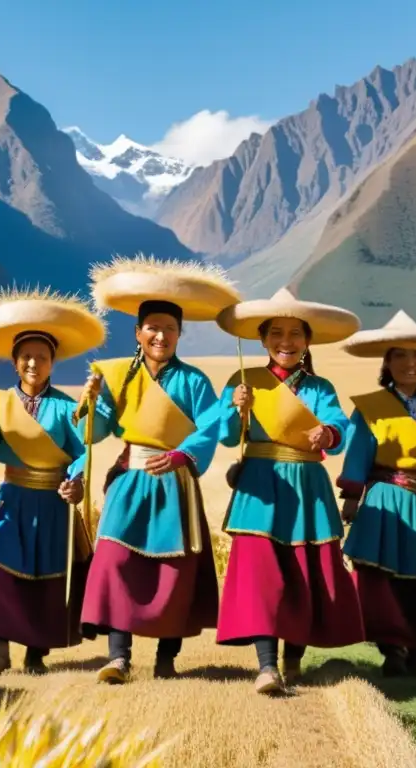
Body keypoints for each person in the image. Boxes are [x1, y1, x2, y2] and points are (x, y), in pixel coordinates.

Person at [77, 255, 241, 684]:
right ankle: (118, 656)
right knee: (115, 561)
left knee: (174, 571)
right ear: (138, 332)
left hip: (176, 483)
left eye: (170, 329)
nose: (161, 335)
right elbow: (94, 433)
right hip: (130, 479)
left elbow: (212, 426)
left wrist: (184, 455)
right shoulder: (116, 376)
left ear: (180, 334)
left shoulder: (194, 381)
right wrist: (91, 401)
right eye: (153, 327)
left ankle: (167, 658)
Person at [0, 288, 106, 680]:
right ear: (15, 363)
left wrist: (77, 478)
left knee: (44, 576)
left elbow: (83, 446)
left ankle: (36, 654)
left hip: (52, 500)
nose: (34, 363)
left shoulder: (69, 407)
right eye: (26, 357)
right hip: (11, 500)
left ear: (53, 363)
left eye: (42, 357)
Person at [214, 288, 364, 694]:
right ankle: (266, 666)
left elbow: (339, 427)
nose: (286, 341)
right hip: (261, 485)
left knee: (303, 572)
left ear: (307, 341)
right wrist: (236, 408)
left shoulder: (320, 386)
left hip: (307, 487)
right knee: (263, 574)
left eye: (295, 333)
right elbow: (228, 438)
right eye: (276, 333)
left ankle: (293, 661)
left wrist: (328, 431)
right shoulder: (243, 382)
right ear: (262, 340)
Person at [337, 310, 416, 676]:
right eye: (401, 355)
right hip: (384, 498)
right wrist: (351, 497)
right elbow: (358, 451)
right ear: (387, 361)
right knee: (384, 578)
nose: (410, 363)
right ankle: (390, 646)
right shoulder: (371, 408)